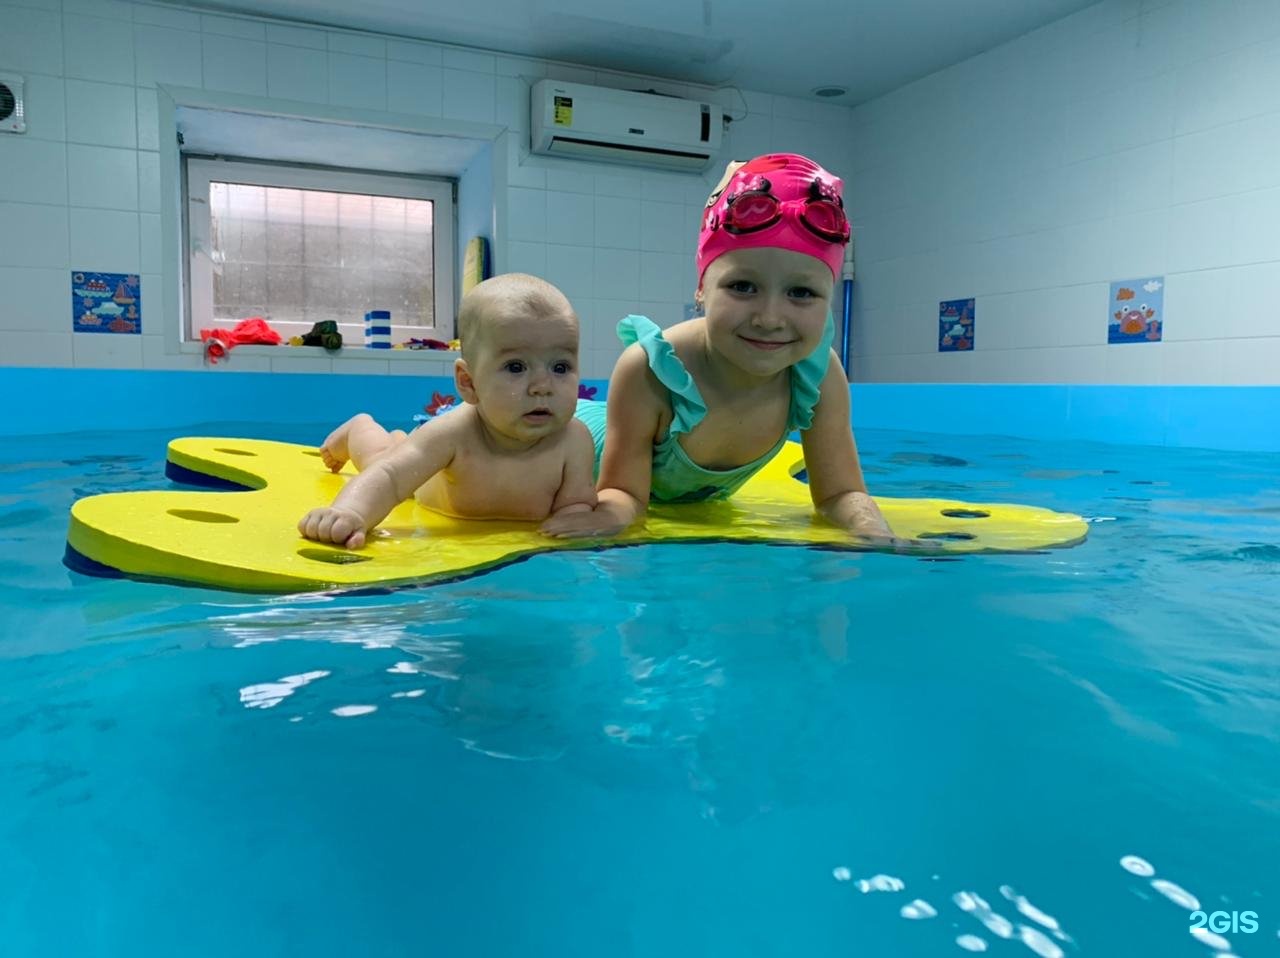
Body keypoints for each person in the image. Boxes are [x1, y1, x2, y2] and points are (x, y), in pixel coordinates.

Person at [544, 152, 896, 543]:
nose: (769, 318)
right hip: (556, 438)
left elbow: (838, 493)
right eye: (742, 287)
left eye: (802, 292)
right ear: (700, 289)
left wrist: (874, 532)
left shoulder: (818, 375)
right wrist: (607, 520)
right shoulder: (652, 369)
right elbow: (623, 494)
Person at [298, 273, 597, 549]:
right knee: (382, 455)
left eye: (561, 367)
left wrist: (577, 520)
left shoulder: (573, 440)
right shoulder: (454, 433)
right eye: (515, 367)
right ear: (468, 383)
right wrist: (350, 512)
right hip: (422, 479)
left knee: (400, 446)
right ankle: (357, 429)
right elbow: (389, 477)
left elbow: (576, 504)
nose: (543, 386)